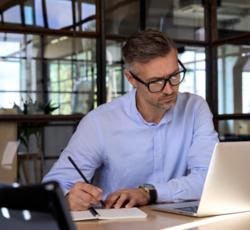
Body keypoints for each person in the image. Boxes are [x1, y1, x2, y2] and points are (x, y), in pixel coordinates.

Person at [43, 29, 219, 211]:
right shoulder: (100, 122)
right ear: (131, 78)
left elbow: (209, 178)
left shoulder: (195, 108)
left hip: (179, 223)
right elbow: (53, 186)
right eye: (156, 82)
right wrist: (67, 197)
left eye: (174, 76)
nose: (169, 90)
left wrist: (148, 192)